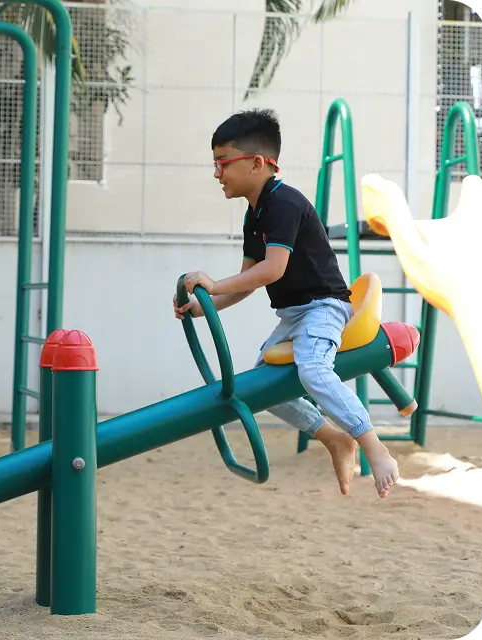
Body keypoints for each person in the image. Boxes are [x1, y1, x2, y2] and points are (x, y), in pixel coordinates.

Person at [173, 108, 400, 498]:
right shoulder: (254, 214)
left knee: (313, 368)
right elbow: (246, 284)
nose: (217, 173)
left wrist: (212, 282)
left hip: (325, 306)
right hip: (295, 314)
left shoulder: (284, 204)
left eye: (223, 162)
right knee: (264, 386)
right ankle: (333, 437)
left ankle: (373, 447)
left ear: (257, 162)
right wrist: (201, 306)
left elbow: (272, 270)